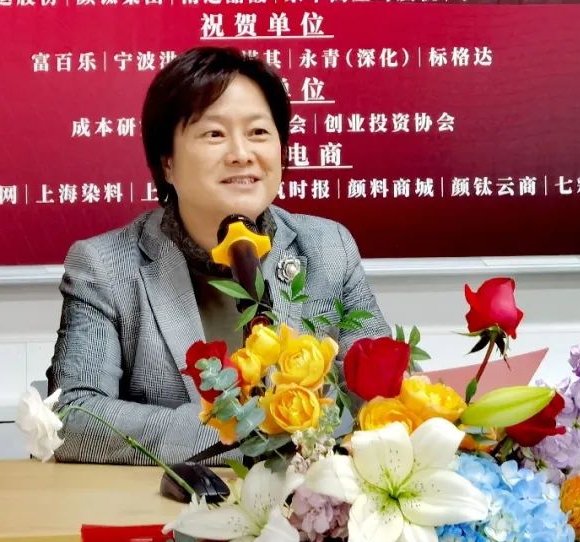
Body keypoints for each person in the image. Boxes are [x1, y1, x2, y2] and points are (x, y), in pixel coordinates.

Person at [47, 47, 389, 464]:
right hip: (168, 499)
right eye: (214, 134)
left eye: (258, 132)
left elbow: (385, 393)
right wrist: (245, 432)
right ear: (167, 163)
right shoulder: (106, 267)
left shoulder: (328, 248)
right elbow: (72, 417)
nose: (242, 153)